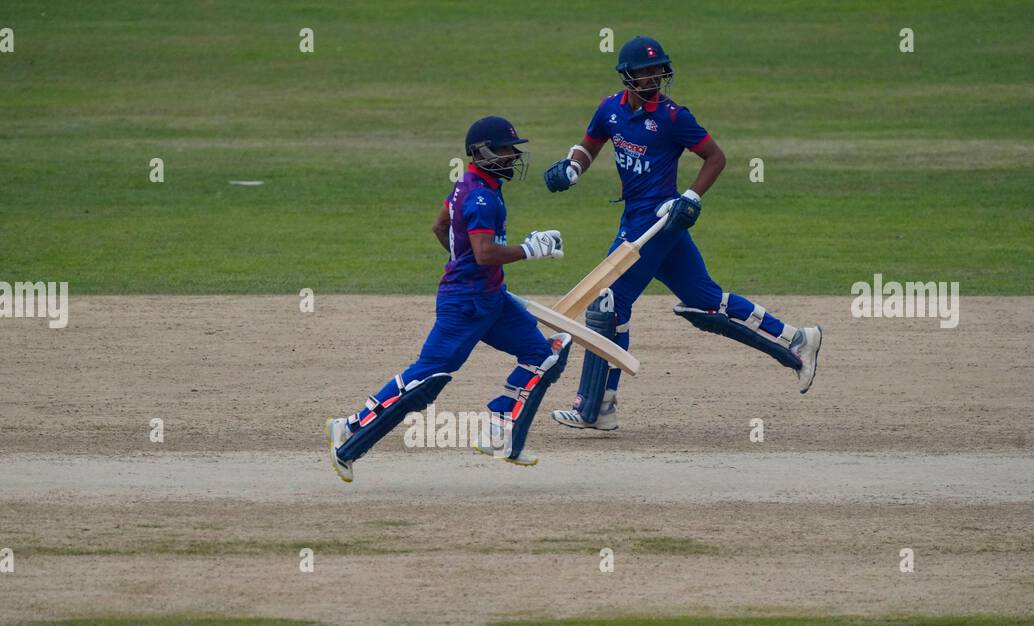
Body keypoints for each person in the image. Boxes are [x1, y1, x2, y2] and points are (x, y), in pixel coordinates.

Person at [542, 35, 822, 432]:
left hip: (656, 222)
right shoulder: (610, 110)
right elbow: (589, 144)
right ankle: (798, 338)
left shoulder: (673, 117)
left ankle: (598, 406)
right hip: (639, 220)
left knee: (608, 304)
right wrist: (572, 168)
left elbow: (715, 157)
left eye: (659, 70)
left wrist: (690, 196)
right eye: (645, 71)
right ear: (627, 76)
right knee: (705, 299)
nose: (654, 77)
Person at [325, 116, 572, 482]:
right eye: (505, 150)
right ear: (481, 152)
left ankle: (499, 432)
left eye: (512, 150)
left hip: (490, 298)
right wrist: (528, 250)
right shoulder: (482, 195)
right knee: (429, 378)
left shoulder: (470, 182)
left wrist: (463, 262)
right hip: (466, 305)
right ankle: (349, 429)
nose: (512, 157)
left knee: (546, 354)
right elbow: (486, 253)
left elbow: (441, 226)